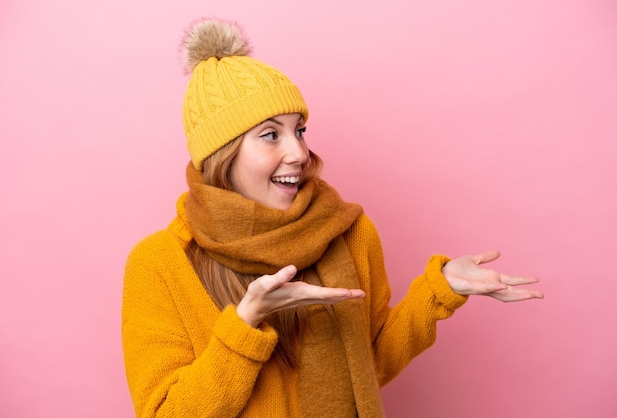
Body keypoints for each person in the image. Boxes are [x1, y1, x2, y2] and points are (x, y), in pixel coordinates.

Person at [122, 17, 544, 417]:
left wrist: (440, 289)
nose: (299, 153)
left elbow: (368, 367)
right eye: (271, 134)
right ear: (222, 154)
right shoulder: (160, 263)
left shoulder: (348, 232)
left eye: (299, 130)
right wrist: (246, 324)